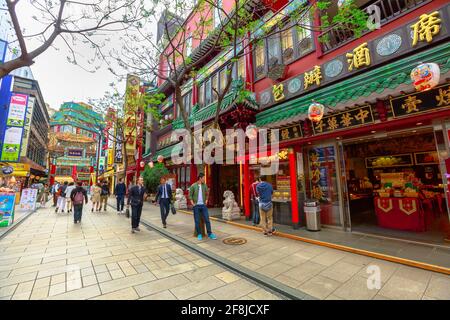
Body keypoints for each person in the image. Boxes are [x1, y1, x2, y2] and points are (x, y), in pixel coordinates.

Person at [188, 173, 217, 241]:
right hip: (196, 206)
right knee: (197, 221)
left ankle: (210, 234)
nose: (204, 179)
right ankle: (199, 234)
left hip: (203, 206)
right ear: (200, 178)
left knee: (207, 220)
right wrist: (193, 203)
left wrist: (206, 200)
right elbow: (190, 195)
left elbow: (207, 194)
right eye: (204, 178)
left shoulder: (205, 186)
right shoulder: (193, 186)